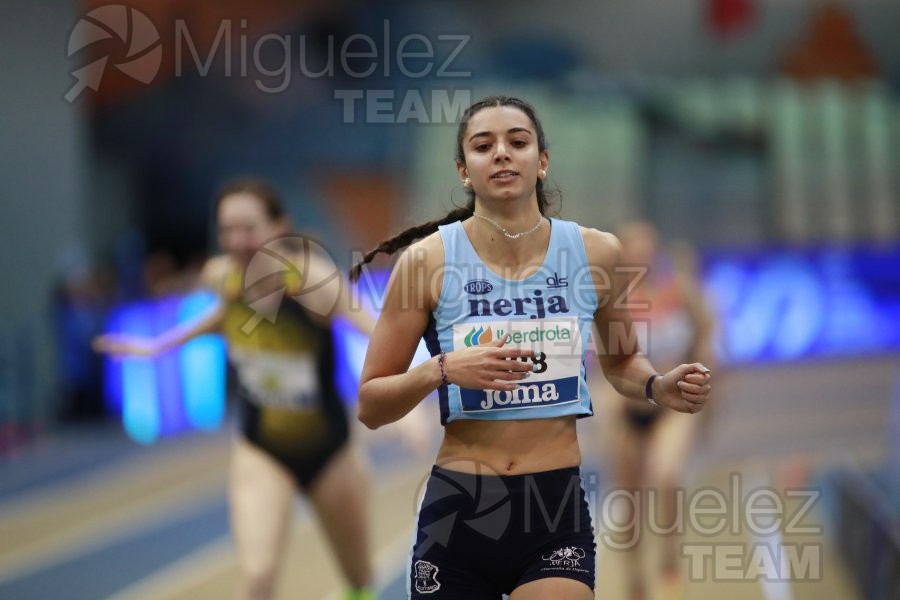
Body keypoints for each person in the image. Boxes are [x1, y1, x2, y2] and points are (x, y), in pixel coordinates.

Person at [350, 96, 712, 600]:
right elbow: (370, 405)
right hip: (459, 511)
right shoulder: (425, 263)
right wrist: (444, 368)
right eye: (483, 145)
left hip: (552, 508)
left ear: (541, 162)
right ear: (463, 170)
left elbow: (623, 361)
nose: (501, 153)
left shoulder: (596, 253)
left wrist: (655, 385)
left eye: (517, 142)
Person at [94, 179, 376, 600]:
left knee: (358, 578)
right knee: (258, 576)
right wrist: (157, 346)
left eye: (249, 227)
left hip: (329, 449)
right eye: (227, 229)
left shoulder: (310, 278)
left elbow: (374, 330)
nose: (237, 240)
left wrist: (410, 401)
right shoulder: (220, 275)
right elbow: (224, 318)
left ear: (279, 226)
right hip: (262, 448)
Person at [595, 221, 715, 600]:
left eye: (648, 250)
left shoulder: (678, 289)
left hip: (671, 405)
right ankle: (634, 577)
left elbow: (707, 330)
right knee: (629, 501)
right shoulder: (612, 300)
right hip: (628, 411)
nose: (642, 258)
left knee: (665, 475)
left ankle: (668, 553)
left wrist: (702, 369)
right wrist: (607, 401)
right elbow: (599, 361)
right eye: (634, 251)